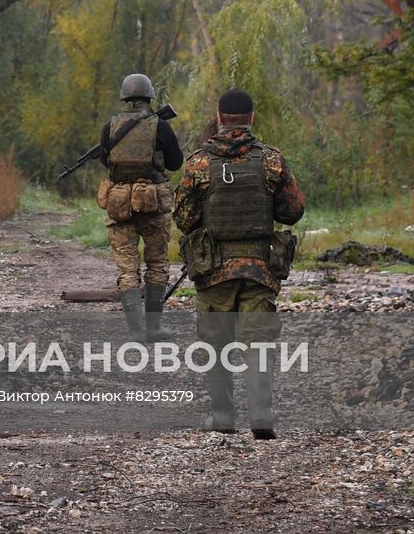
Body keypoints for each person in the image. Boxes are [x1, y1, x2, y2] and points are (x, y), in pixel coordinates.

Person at [173, 88, 305, 440]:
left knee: (216, 342)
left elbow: (184, 219)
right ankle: (261, 417)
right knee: (258, 340)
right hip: (260, 268)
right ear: (252, 118)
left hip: (214, 271)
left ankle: (222, 418)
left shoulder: (198, 163)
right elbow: (293, 211)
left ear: (219, 118)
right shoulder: (272, 161)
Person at [97, 73, 182, 339]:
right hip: (153, 203)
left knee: (127, 267)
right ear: (149, 97)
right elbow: (175, 163)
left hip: (119, 203)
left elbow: (105, 161)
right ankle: (154, 328)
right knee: (156, 263)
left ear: (125, 97)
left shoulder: (110, 126)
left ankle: (135, 331)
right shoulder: (161, 126)